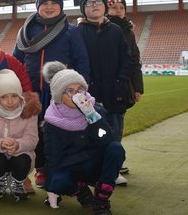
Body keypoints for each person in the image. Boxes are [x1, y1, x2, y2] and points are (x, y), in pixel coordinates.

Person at [13, 0, 90, 188]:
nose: (49, 7)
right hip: (31, 93)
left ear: (61, 6)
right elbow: (16, 60)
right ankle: (39, 170)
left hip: (57, 95)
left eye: (53, 3)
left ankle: (57, 170)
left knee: (56, 134)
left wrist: (81, 90)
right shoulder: (26, 31)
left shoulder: (71, 31)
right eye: (44, 3)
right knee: (32, 134)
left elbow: (82, 61)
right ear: (37, 6)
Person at [42, 61, 125, 215]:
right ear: (60, 96)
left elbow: (107, 139)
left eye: (80, 89)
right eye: (70, 91)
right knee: (56, 181)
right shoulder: (52, 122)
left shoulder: (96, 110)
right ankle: (81, 191)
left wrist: (91, 116)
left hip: (96, 164)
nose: (77, 94)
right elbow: (53, 156)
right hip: (73, 166)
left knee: (116, 149)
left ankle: (101, 200)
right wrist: (52, 189)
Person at [77, 0, 132, 187]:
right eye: (89, 4)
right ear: (84, 9)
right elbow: (76, 61)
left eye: (98, 2)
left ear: (103, 6)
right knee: (94, 133)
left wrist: (120, 83)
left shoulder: (116, 31)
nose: (94, 6)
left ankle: (113, 170)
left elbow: (127, 60)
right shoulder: (77, 32)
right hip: (89, 94)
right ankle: (94, 170)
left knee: (115, 132)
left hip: (115, 93)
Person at [0, 69, 40, 201]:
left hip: (20, 154)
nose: (10, 101)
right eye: (4, 97)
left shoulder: (29, 111)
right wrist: (0, 143)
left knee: (23, 161)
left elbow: (32, 139)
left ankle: (17, 182)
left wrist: (18, 145)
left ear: (21, 96)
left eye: (14, 96)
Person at [106, 0, 144, 181]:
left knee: (117, 126)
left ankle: (115, 162)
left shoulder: (128, 31)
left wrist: (138, 87)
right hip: (103, 86)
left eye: (121, 8)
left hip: (122, 87)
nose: (118, 11)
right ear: (107, 9)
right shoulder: (102, 27)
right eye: (114, 7)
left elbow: (135, 61)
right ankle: (107, 165)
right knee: (104, 127)